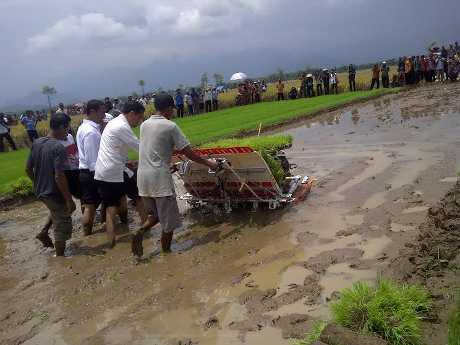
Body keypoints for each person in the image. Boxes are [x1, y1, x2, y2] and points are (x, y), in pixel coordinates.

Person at [132, 94, 219, 257]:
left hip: (142, 178)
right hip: (160, 179)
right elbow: (189, 153)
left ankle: (141, 229)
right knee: (169, 223)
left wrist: (167, 163)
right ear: (168, 108)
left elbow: (156, 148)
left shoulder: (144, 125)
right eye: (172, 108)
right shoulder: (170, 126)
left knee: (155, 215)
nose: (173, 111)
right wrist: (210, 164)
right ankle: (167, 254)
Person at [94, 101, 147, 247]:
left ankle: (111, 243)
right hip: (116, 171)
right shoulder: (122, 126)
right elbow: (140, 147)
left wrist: (127, 162)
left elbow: (116, 149)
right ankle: (146, 230)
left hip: (102, 171)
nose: (140, 120)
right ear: (131, 113)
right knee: (139, 198)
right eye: (139, 117)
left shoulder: (113, 122)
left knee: (110, 207)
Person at [26, 113, 76, 256]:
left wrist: (38, 183)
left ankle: (43, 232)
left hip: (40, 190)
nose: (68, 131)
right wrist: (69, 199)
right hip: (53, 192)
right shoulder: (58, 147)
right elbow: (59, 176)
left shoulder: (37, 143)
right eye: (67, 128)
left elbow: (28, 169)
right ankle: (60, 256)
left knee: (57, 212)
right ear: (61, 127)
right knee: (63, 222)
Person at [76, 100, 105, 236]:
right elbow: (93, 160)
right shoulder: (91, 132)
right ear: (93, 112)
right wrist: (100, 178)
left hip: (85, 172)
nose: (104, 115)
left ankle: (87, 235)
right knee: (91, 207)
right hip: (92, 172)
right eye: (102, 111)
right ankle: (88, 234)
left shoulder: (84, 127)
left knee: (89, 205)